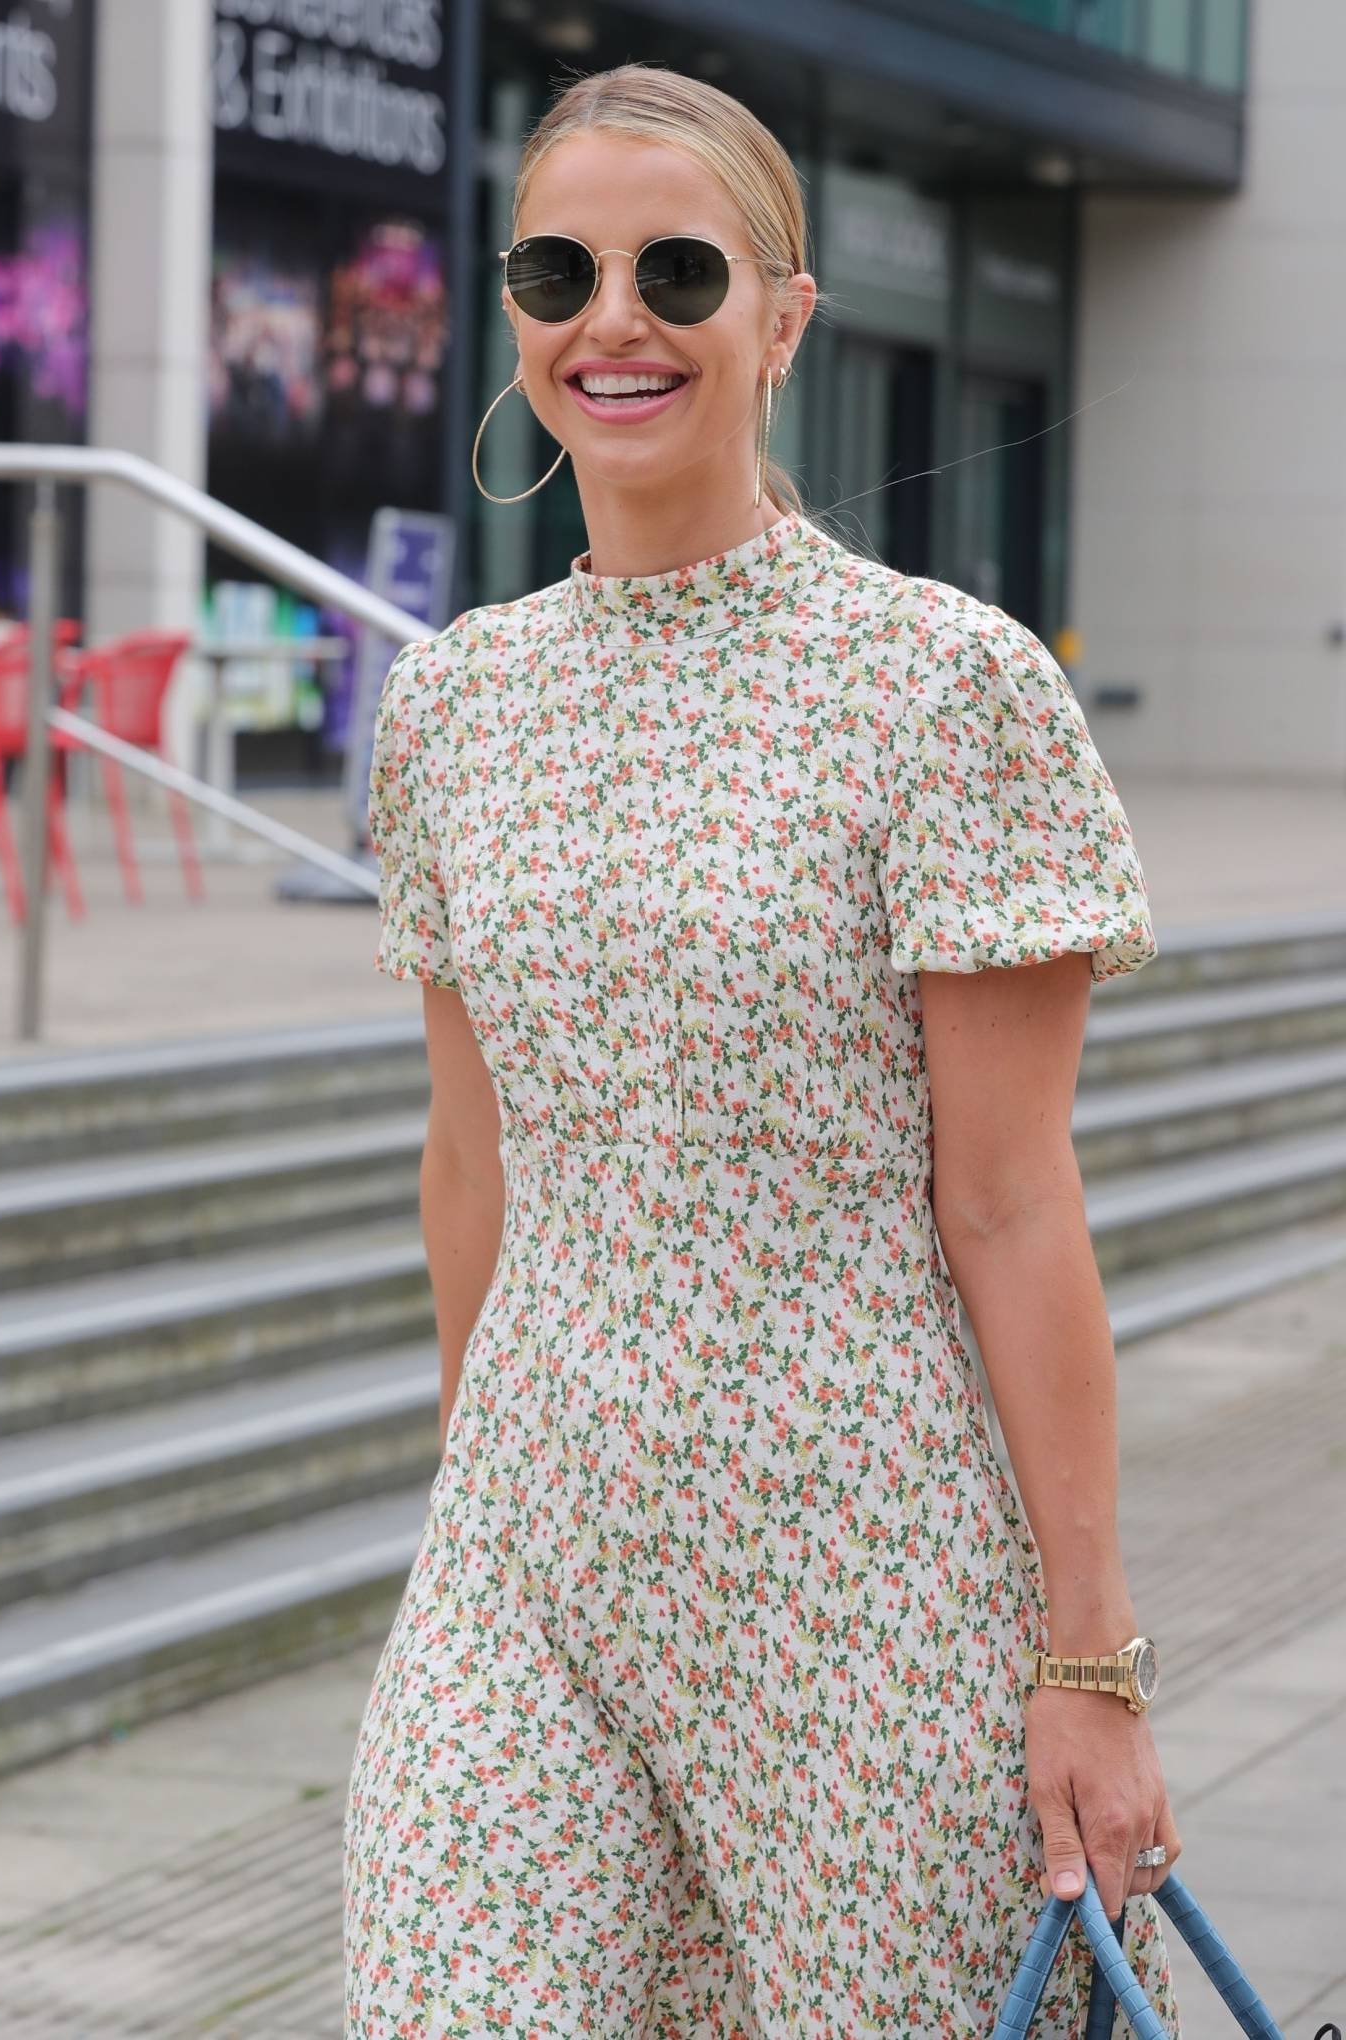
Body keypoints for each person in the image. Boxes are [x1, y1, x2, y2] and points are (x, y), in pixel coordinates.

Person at [343, 62, 1183, 2040]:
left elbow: (1004, 1201)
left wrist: (1090, 1654)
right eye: (558, 268)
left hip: (860, 1580)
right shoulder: (451, 707)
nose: (608, 319)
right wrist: (484, 1489)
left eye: (674, 270)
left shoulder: (937, 692)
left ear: (783, 315)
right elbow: (469, 1158)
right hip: (530, 1569)